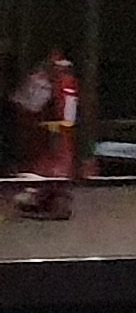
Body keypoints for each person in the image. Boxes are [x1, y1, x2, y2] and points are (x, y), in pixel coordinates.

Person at [8, 47, 80, 220]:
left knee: (54, 168)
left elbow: (31, 106)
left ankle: (54, 203)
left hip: (54, 132)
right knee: (50, 166)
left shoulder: (61, 83)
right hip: (52, 131)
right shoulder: (53, 81)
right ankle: (47, 200)